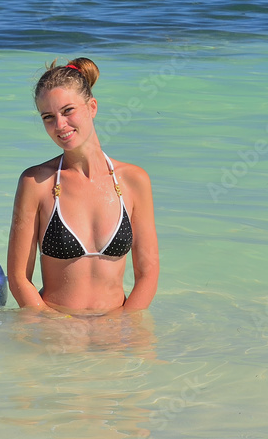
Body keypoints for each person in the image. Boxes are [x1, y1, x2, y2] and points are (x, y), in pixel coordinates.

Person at [8, 58, 159, 315]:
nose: (59, 125)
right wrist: (52, 325)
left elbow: (148, 272)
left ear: (92, 107)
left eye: (68, 111)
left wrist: (124, 325)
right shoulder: (35, 183)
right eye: (48, 117)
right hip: (55, 330)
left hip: (118, 329)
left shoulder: (134, 180)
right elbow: (19, 278)